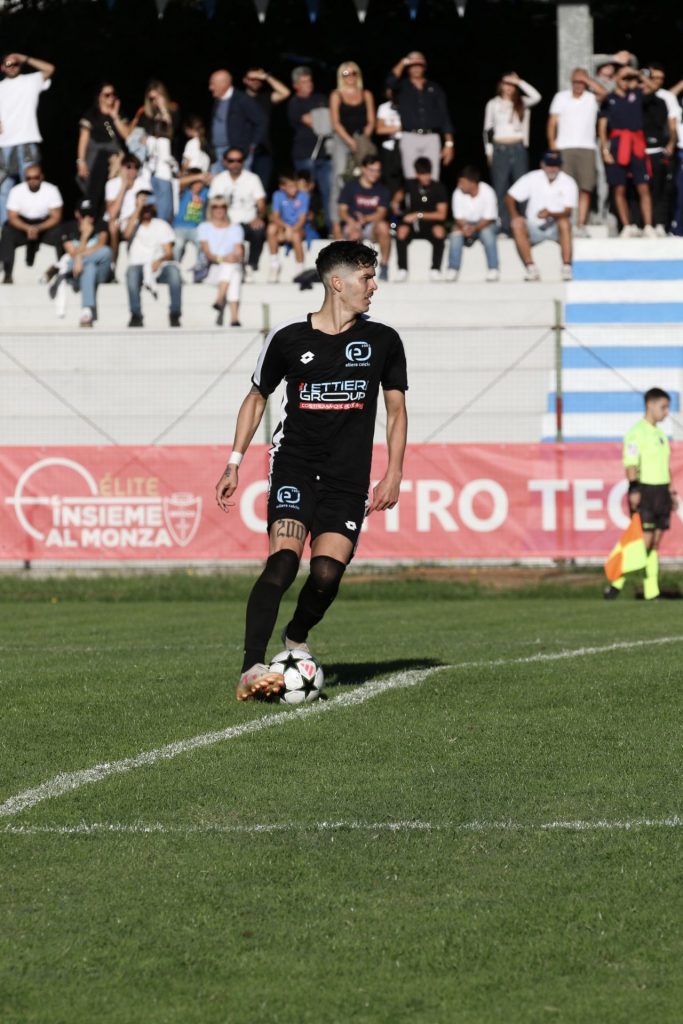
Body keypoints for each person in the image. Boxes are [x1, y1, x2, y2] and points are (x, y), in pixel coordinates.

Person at [214, 240, 408, 700]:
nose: (373, 286)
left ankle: (295, 637)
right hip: (295, 468)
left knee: (325, 574)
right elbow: (257, 397)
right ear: (337, 282)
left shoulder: (383, 340)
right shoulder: (287, 339)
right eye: (366, 277)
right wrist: (234, 462)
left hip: (348, 477)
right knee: (283, 562)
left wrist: (394, 472)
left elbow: (396, 411)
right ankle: (250, 668)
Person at [604, 388, 678, 602]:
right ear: (650, 405)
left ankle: (651, 591)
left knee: (655, 543)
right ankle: (615, 583)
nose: (666, 412)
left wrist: (671, 492)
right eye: (663, 407)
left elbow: (666, 466)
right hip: (645, 490)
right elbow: (631, 463)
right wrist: (634, 489)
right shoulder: (636, 432)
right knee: (642, 542)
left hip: (661, 491)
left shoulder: (661, 435)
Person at [547, 68, 607, 235]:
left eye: (581, 82)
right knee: (565, 187)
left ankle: (581, 224)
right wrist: (553, 145)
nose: (578, 85)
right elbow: (552, 123)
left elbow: (604, 93)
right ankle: (567, 223)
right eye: (576, 81)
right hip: (564, 148)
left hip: (587, 148)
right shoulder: (561, 97)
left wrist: (588, 80)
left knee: (585, 187)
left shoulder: (591, 99)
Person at [598, 66, 654, 238]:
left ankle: (648, 226)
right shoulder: (609, 99)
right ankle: (627, 225)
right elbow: (602, 127)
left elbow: (652, 87)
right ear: (615, 78)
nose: (626, 81)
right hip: (617, 144)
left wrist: (636, 75)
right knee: (619, 187)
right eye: (622, 78)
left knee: (643, 186)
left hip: (636, 144)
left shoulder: (636, 94)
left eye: (627, 78)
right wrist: (605, 149)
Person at [0, 51, 55, 225]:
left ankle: (32, 225)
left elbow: (50, 69)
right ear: (2, 67)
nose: (12, 67)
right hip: (3, 144)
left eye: (15, 64)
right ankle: (5, 229)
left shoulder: (30, 81)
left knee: (30, 185)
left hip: (26, 141)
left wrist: (24, 58)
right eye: (8, 64)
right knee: (3, 190)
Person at [505, 151, 578, 282]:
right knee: (516, 224)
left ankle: (566, 267)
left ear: (560, 166)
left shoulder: (568, 182)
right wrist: (515, 215)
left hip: (555, 228)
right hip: (533, 227)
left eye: (555, 165)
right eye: (549, 165)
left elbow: (568, 211)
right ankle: (531, 268)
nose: (552, 169)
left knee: (565, 222)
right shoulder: (532, 177)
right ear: (542, 165)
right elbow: (510, 197)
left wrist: (550, 213)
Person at [483, 71, 541, 233]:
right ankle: (504, 225)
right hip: (500, 148)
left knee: (522, 185)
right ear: (501, 85)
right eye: (506, 83)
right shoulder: (493, 104)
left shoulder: (521, 102)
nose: (508, 87)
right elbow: (487, 129)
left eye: (512, 85)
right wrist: (489, 151)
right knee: (500, 187)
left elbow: (537, 97)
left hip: (518, 148)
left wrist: (520, 81)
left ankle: (525, 222)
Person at [386, 51, 454, 179]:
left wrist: (449, 144)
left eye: (419, 64)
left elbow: (444, 116)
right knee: (411, 177)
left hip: (431, 137)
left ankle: (431, 199)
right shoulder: (402, 87)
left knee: (433, 177)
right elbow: (390, 82)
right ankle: (413, 199)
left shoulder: (435, 88)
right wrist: (404, 61)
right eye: (413, 64)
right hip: (409, 136)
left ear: (424, 66)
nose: (416, 67)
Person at [329, 61, 376, 235]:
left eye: (353, 73)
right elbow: (335, 123)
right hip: (342, 139)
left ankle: (365, 221)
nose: (350, 77)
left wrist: (363, 139)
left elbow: (371, 120)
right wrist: (350, 141)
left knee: (365, 176)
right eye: (346, 74)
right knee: (339, 177)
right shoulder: (336, 95)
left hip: (362, 137)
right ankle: (336, 222)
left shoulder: (366, 94)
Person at [50, 198, 112, 327]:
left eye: (91, 215)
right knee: (89, 267)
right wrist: (84, 236)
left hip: (99, 273)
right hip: (76, 275)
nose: (88, 218)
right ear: (77, 214)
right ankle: (87, 311)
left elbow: (100, 246)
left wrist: (78, 258)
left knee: (106, 251)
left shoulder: (101, 225)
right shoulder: (67, 228)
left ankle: (61, 266)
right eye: (84, 215)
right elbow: (71, 251)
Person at [123, 195, 182, 328]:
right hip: (138, 265)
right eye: (144, 208)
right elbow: (126, 234)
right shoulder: (133, 224)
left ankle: (175, 313)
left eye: (149, 207)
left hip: (159, 265)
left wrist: (159, 261)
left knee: (174, 273)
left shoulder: (161, 225)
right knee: (131, 273)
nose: (146, 211)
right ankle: (136, 314)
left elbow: (169, 253)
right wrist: (138, 208)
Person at [209, 147, 266, 280]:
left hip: (248, 223)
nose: (235, 163)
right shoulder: (219, 180)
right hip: (226, 224)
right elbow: (213, 204)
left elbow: (261, 204)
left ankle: (251, 265)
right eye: (231, 160)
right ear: (224, 162)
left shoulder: (253, 179)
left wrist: (258, 217)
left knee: (259, 230)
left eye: (239, 160)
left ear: (243, 162)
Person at [0, 163, 63, 283]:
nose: (32, 181)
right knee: (7, 231)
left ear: (41, 177)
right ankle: (7, 273)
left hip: (44, 227)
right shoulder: (16, 191)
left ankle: (62, 269)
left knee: (62, 232)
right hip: (23, 226)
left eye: (36, 177)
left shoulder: (51, 190)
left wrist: (38, 228)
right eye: (29, 178)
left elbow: (56, 217)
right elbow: (12, 217)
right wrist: (27, 228)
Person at [129, 80, 181, 224]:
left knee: (166, 209)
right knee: (149, 204)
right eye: (151, 99)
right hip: (148, 169)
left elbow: (171, 131)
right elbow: (132, 137)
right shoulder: (145, 115)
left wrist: (164, 109)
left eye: (157, 97)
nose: (154, 102)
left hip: (165, 168)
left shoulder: (173, 110)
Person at [76, 82, 131, 219]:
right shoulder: (91, 115)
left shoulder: (119, 114)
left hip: (115, 160)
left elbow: (127, 136)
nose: (111, 98)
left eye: (113, 94)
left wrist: (115, 117)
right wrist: (81, 162)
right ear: (99, 97)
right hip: (95, 158)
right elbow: (83, 140)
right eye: (107, 95)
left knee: (113, 191)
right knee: (94, 193)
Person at [287, 66, 331, 234]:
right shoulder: (294, 103)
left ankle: (329, 228)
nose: (308, 84)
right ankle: (307, 227)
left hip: (325, 155)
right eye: (303, 82)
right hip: (305, 154)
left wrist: (321, 118)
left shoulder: (321, 98)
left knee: (328, 192)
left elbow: (330, 120)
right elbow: (315, 122)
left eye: (309, 80)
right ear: (296, 85)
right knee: (306, 194)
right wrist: (322, 117)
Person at [337, 155, 391, 281]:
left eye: (378, 170)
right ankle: (354, 270)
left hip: (372, 225)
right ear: (363, 169)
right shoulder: (350, 187)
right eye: (372, 170)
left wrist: (365, 219)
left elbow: (381, 213)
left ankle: (384, 266)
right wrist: (352, 221)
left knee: (384, 227)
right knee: (353, 233)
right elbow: (342, 210)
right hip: (353, 223)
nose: (375, 174)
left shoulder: (382, 189)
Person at [395, 156, 448, 282]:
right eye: (422, 174)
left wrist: (419, 215)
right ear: (416, 174)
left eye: (427, 174)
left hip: (430, 224)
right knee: (401, 231)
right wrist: (397, 205)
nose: (425, 177)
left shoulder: (438, 188)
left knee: (439, 231)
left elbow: (442, 214)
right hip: (412, 225)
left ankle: (435, 269)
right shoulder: (409, 185)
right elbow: (397, 200)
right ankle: (402, 269)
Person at [208, 68, 266, 174]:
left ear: (224, 84)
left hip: (238, 153)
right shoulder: (217, 101)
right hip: (218, 152)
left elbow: (261, 121)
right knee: (217, 184)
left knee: (241, 185)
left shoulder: (242, 99)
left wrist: (253, 144)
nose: (210, 88)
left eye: (213, 84)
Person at [446, 166, 499, 282]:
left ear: (473, 182)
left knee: (487, 233)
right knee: (455, 234)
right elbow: (458, 217)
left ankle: (493, 268)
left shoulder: (488, 191)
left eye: (462, 182)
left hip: (486, 224)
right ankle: (452, 269)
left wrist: (474, 228)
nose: (460, 185)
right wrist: (464, 227)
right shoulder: (457, 193)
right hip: (466, 224)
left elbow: (489, 218)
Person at [198, 197, 244, 327]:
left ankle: (220, 299)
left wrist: (233, 257)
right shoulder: (204, 227)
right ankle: (234, 316)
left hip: (228, 268)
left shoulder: (235, 228)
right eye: (215, 207)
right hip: (211, 268)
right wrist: (224, 258)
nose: (219, 209)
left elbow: (239, 251)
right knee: (231, 268)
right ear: (211, 209)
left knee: (232, 268)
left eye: (222, 206)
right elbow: (208, 254)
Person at [243, 67, 291, 190]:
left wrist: (265, 76)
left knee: (261, 189)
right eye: (252, 79)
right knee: (243, 188)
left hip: (264, 151)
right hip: (243, 150)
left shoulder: (266, 97)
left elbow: (285, 92)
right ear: (245, 80)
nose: (255, 82)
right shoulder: (238, 99)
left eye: (258, 79)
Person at [105, 154, 152, 267]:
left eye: (136, 167)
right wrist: (123, 187)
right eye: (129, 166)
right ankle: (113, 262)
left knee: (130, 227)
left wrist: (130, 218)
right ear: (122, 167)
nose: (132, 170)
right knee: (113, 226)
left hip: (135, 219)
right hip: (117, 221)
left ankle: (131, 264)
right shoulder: (112, 184)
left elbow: (145, 208)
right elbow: (112, 213)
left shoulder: (143, 183)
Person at [641, 73, 674, 235]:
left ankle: (660, 224)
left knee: (660, 190)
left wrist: (671, 143)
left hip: (657, 151)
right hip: (639, 152)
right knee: (640, 190)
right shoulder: (634, 99)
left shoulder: (661, 101)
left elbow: (668, 126)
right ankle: (641, 225)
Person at [266, 172, 309, 282]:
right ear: (282, 187)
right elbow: (275, 216)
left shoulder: (303, 196)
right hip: (283, 227)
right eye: (290, 186)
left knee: (295, 236)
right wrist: (285, 228)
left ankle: (300, 270)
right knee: (271, 228)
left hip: (298, 228)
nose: (294, 189)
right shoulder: (277, 195)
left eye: (295, 185)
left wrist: (291, 230)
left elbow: (302, 219)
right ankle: (274, 264)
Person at [173, 169, 210, 263]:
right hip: (179, 227)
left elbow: (216, 182)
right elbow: (178, 183)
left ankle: (200, 269)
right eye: (195, 182)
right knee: (178, 245)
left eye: (200, 182)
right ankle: (174, 267)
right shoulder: (183, 192)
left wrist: (206, 178)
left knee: (203, 245)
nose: (198, 185)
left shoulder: (205, 192)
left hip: (196, 228)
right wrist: (198, 176)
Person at [375, 86, 404, 198]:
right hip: (389, 148)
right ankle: (392, 211)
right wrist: (402, 127)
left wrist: (391, 128)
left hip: (407, 146)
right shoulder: (384, 107)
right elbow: (380, 129)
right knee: (390, 180)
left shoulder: (408, 104)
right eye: (389, 90)